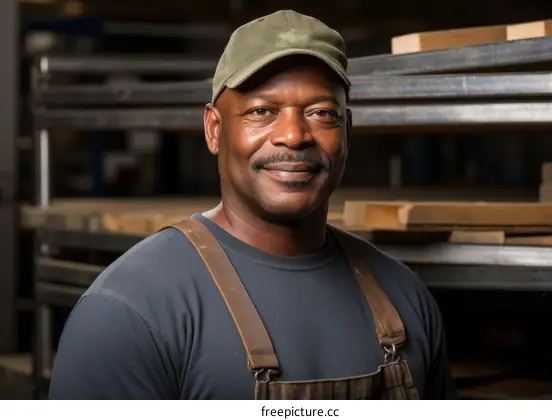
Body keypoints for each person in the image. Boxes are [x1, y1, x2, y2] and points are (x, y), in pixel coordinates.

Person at [48, 9, 456, 400]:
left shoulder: (406, 298)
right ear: (213, 129)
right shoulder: (129, 312)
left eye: (320, 113)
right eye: (262, 111)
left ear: (347, 132)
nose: (294, 136)